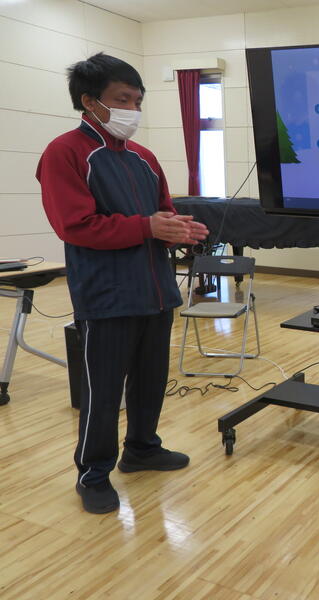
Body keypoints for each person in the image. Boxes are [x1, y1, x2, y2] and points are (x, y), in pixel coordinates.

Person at [36, 53, 209, 514]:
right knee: (103, 391)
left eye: (137, 101)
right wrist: (148, 227)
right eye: (122, 99)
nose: (132, 109)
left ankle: (142, 449)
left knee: (151, 381)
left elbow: (163, 213)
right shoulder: (64, 152)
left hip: (157, 291)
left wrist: (178, 231)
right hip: (106, 295)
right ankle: (93, 473)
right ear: (89, 101)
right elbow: (76, 226)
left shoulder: (144, 157)